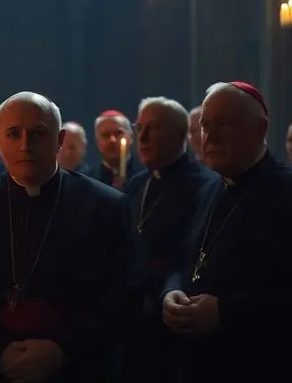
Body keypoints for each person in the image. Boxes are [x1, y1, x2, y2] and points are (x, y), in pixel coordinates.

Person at [0, 91, 143, 382]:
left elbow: (125, 294)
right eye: (13, 134)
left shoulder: (106, 207)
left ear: (59, 140)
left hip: (80, 368)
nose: (25, 145)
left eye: (38, 133)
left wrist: (62, 349)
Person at [161, 81, 292, 382]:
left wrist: (224, 312)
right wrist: (171, 293)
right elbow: (185, 260)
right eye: (205, 126)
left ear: (260, 129)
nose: (211, 136)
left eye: (225, 124)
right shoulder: (207, 191)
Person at [121, 97, 215, 381]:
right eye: (140, 128)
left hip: (173, 321)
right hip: (131, 321)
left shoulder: (204, 186)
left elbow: (193, 255)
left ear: (179, 134)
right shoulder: (137, 183)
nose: (143, 137)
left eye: (154, 128)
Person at [92, 109, 142, 189]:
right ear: (97, 142)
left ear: (131, 137)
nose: (112, 140)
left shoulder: (146, 175)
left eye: (118, 133)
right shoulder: (89, 181)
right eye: (106, 135)